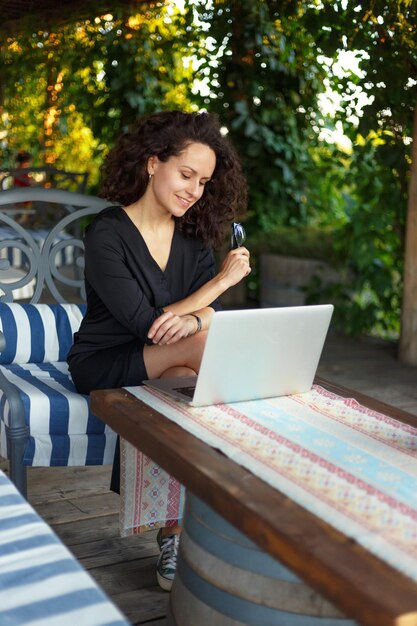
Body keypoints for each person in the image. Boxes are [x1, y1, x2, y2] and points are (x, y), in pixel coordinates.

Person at [67, 110, 251, 590]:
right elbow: (149, 327)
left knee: (184, 375)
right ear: (153, 164)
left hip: (165, 360)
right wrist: (220, 284)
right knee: (203, 350)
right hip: (106, 360)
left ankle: (176, 530)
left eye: (204, 181)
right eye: (186, 174)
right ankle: (241, 498)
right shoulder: (107, 232)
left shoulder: (190, 238)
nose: (194, 190)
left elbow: (196, 319)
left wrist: (199, 313)